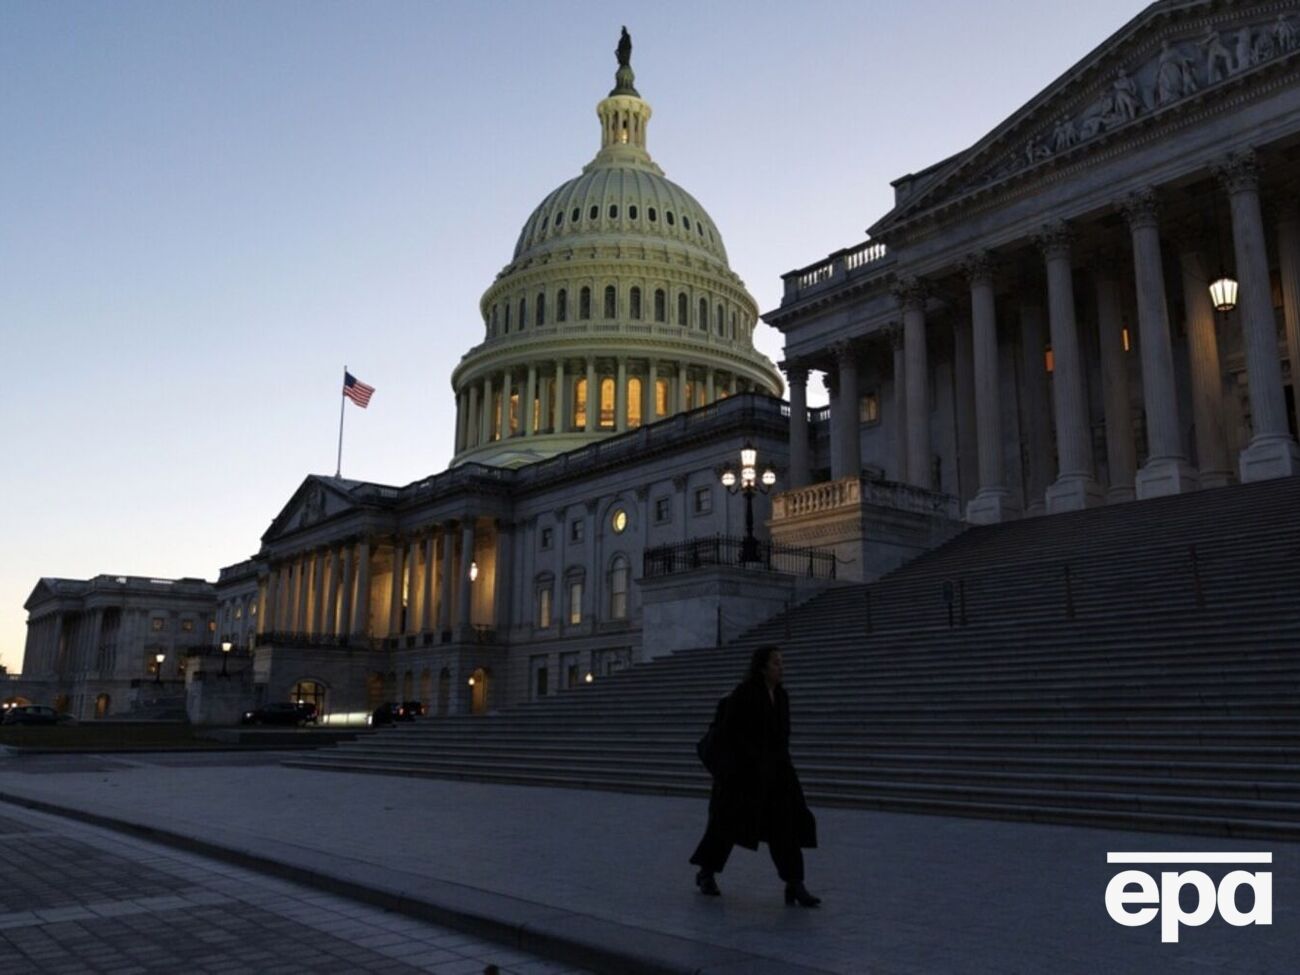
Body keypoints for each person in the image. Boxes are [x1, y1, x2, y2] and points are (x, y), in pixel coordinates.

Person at [689, 644, 820, 907]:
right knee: (724, 828)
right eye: (776, 663)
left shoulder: (782, 697)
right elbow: (729, 734)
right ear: (762, 667)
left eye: (781, 663)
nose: (781, 668)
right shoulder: (744, 694)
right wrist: (744, 766)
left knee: (786, 828)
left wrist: (786, 773)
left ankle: (795, 884)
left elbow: (783, 739)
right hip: (742, 777)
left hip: (776, 775)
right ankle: (706, 873)